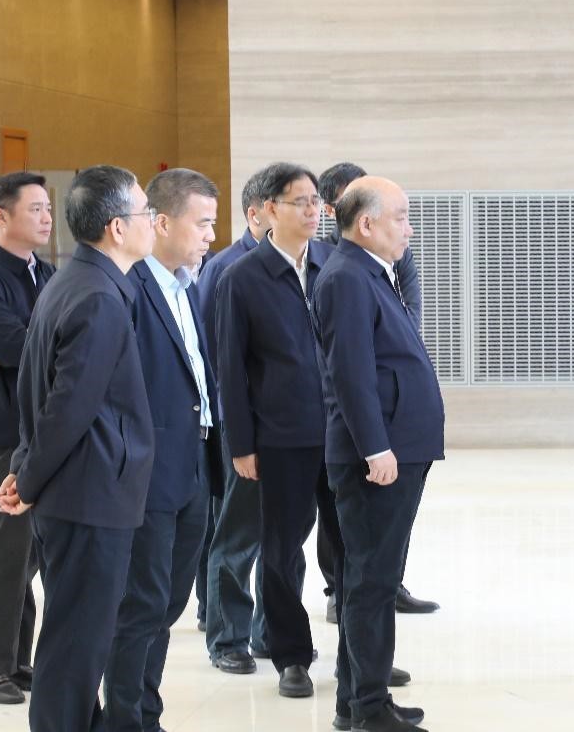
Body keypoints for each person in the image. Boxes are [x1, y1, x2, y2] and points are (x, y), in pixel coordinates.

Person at [0, 165, 157, 731]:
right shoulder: (98, 297)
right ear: (117, 227)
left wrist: (25, 468)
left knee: (77, 637)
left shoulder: (74, 281)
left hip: (77, 490)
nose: (153, 221)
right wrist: (27, 479)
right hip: (88, 493)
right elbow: (68, 408)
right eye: (145, 212)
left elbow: (33, 390)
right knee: (76, 645)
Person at [313, 176, 440, 732]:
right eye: (401, 218)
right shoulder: (347, 277)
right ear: (366, 223)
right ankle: (368, 708)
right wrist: (376, 447)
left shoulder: (368, 271)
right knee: (370, 584)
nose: (409, 230)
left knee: (372, 579)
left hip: (396, 450)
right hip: (377, 458)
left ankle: (357, 701)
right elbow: (351, 373)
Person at [213, 162, 341, 698]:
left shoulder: (334, 264)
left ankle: (361, 658)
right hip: (281, 436)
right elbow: (230, 369)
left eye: (316, 202)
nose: (313, 211)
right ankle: (291, 656)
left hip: (342, 433)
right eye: (299, 201)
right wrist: (241, 444)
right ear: (268, 209)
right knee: (281, 549)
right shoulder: (242, 277)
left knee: (350, 547)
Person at [102, 169, 224, 731]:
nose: (210, 236)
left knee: (171, 601)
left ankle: (145, 710)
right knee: (143, 604)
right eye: (202, 224)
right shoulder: (130, 288)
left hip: (193, 463)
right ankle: (127, 718)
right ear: (162, 222)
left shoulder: (186, 285)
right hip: (148, 471)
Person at [197, 166, 284, 673]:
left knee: (281, 537)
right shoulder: (228, 269)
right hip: (242, 425)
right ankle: (227, 638)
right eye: (292, 204)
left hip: (288, 428)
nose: (310, 213)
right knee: (237, 534)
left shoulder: (300, 266)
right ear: (258, 213)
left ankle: (269, 631)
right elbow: (215, 359)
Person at [0, 173, 54, 705]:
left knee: (30, 550)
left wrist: (34, 346)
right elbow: (13, 345)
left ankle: (16, 659)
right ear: (1, 216)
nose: (47, 218)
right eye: (35, 209)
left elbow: (43, 345)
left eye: (48, 208)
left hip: (42, 425)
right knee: (8, 549)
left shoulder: (43, 271)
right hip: (4, 430)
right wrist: (34, 346)